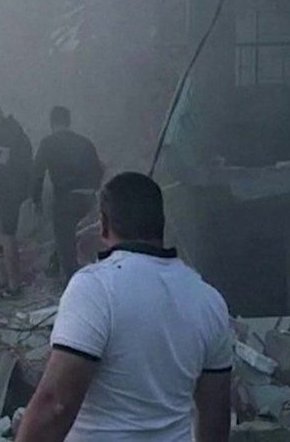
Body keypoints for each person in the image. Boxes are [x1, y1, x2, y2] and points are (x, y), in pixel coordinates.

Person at [17, 173, 234, 442]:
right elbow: (216, 417)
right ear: (160, 225)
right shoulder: (209, 300)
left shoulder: (95, 287)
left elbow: (56, 404)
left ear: (104, 224)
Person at [32, 106, 103, 281]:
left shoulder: (48, 143)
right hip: (87, 198)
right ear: (69, 121)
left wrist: (36, 199)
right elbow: (99, 168)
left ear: (52, 123)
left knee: (66, 244)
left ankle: (72, 283)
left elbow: (37, 173)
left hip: (65, 199)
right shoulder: (84, 142)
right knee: (81, 239)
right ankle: (56, 266)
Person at [0, 103, 33, 298]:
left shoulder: (3, 136)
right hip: (19, 188)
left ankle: (13, 284)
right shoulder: (16, 131)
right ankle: (9, 280)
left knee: (6, 236)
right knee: (6, 235)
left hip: (10, 190)